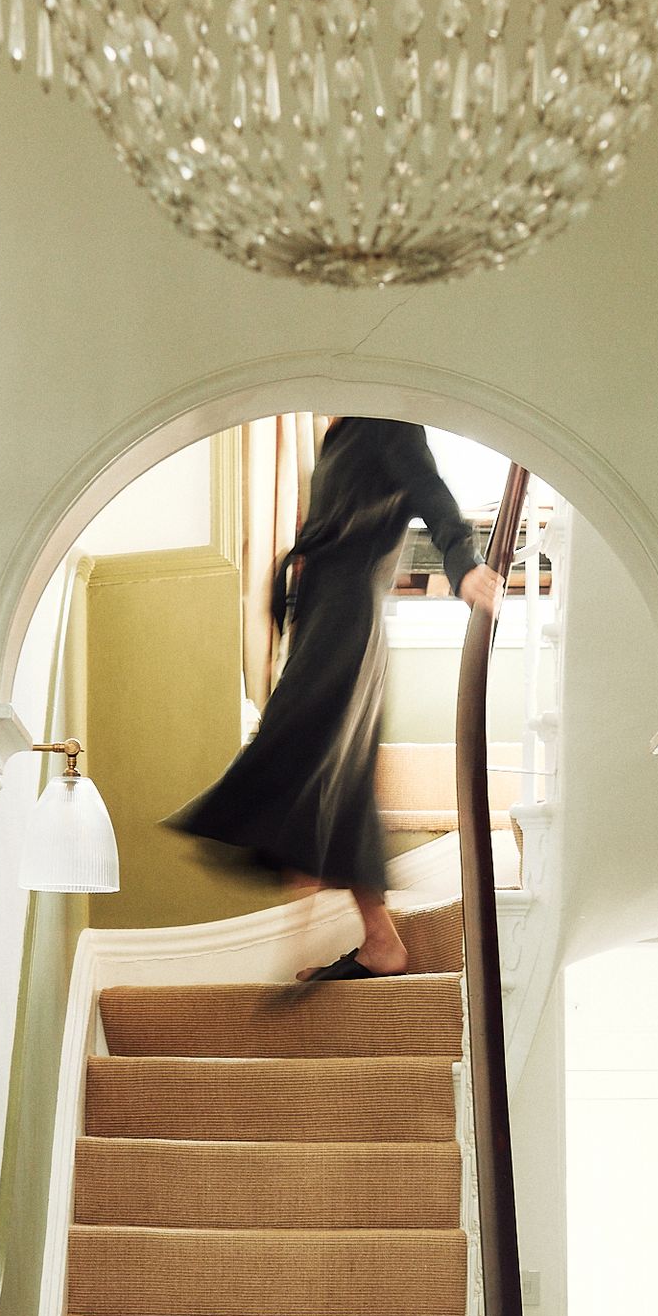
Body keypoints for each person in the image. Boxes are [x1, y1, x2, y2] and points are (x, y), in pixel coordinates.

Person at [169, 416, 503, 980]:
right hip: (324, 614)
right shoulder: (339, 434)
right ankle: (380, 940)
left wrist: (464, 566)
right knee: (336, 775)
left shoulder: (388, 422)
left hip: (347, 619)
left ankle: (305, 913)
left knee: (298, 754)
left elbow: (432, 492)